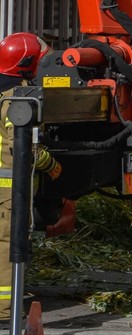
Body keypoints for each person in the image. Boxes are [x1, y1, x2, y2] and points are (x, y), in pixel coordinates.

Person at [0, 32, 49, 320]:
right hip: (7, 191)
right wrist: (51, 163)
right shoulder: (17, 100)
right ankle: (6, 309)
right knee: (8, 245)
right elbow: (23, 150)